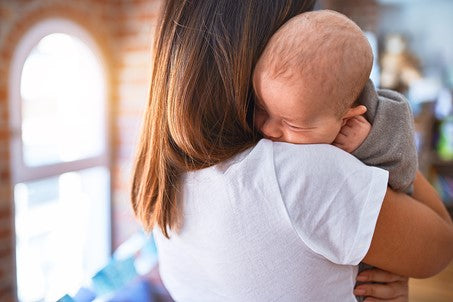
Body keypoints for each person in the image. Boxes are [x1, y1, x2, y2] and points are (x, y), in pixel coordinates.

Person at [130, 1, 453, 301]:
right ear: (251, 55)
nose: (271, 130)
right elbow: (439, 247)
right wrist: (377, 137)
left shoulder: (162, 172)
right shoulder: (302, 172)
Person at [252, 11, 418, 301]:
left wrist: (367, 144)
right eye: (262, 109)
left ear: (347, 118)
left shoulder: (383, 122)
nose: (269, 129)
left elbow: (404, 174)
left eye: (292, 124)